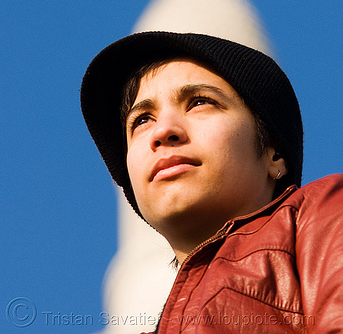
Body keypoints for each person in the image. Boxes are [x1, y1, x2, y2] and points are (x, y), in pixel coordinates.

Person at [81, 31, 343, 333]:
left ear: (274, 154)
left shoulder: (321, 216)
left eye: (199, 102)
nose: (163, 131)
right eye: (141, 120)